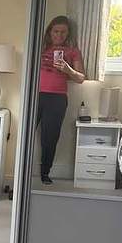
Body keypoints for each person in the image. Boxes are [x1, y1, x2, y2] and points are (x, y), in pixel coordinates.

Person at [38, 15, 85, 185]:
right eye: (56, 31)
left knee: (50, 138)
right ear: (50, 32)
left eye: (63, 32)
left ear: (68, 33)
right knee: (25, 133)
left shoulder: (73, 51)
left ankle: (45, 172)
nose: (59, 35)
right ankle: (21, 169)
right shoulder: (39, 48)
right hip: (35, 95)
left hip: (57, 99)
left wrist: (68, 69)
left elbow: (81, 78)